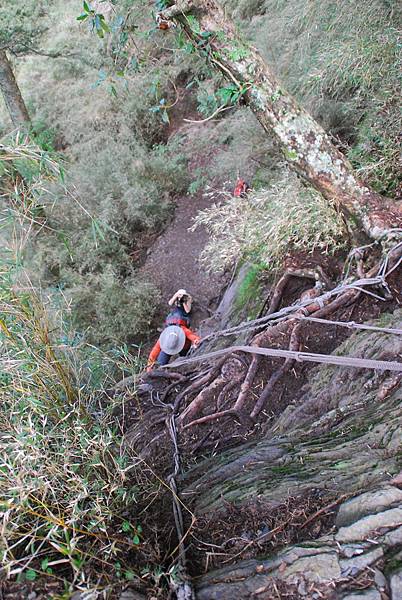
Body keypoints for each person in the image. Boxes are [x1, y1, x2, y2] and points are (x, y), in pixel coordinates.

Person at [147, 289, 201, 371]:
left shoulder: (182, 329)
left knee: (184, 357)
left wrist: (196, 342)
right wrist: (149, 367)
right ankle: (162, 371)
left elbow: (193, 336)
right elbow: (154, 353)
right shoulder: (164, 337)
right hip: (168, 345)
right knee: (161, 362)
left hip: (183, 343)